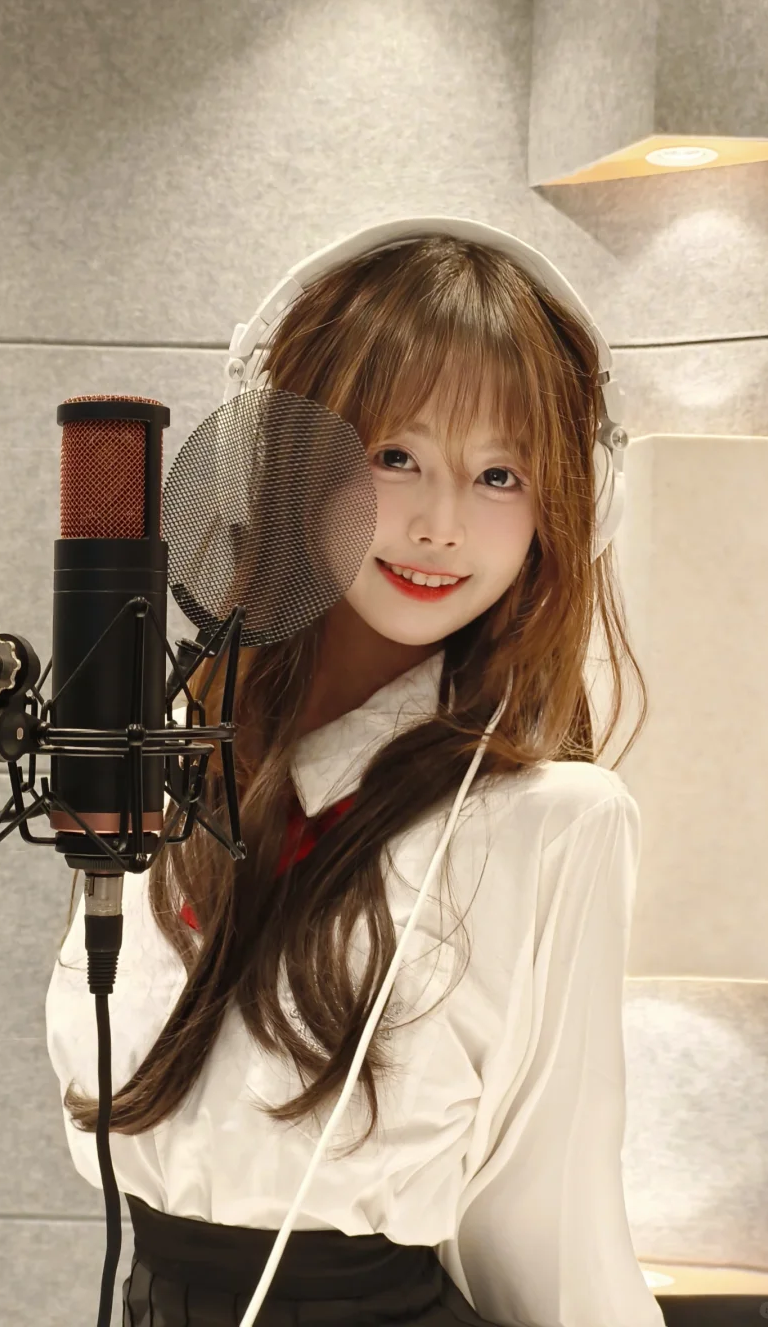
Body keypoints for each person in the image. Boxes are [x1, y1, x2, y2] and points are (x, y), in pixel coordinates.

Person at [46, 220, 667, 1326]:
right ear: (279, 464)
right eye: (395, 457)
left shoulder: (555, 821)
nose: (440, 525)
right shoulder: (166, 758)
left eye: (499, 474)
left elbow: (552, 1224)